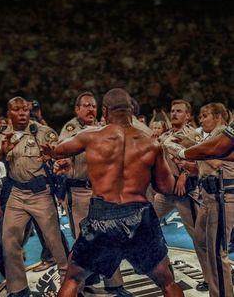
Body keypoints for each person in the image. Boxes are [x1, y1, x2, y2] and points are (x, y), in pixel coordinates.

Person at [42, 88, 184, 297]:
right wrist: (181, 172)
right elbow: (166, 188)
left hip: (102, 216)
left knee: (73, 278)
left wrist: (54, 156)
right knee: (167, 281)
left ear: (105, 111)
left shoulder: (91, 137)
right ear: (131, 111)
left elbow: (57, 150)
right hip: (139, 217)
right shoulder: (151, 144)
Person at [59, 91, 131, 297]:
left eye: (94, 106)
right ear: (77, 109)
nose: (91, 109)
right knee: (84, 241)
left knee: (110, 236)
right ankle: (79, 286)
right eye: (86, 105)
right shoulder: (70, 129)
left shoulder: (102, 127)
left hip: (101, 191)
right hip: (79, 191)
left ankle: (115, 284)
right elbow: (63, 151)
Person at [0, 96, 68, 297]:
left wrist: (53, 155)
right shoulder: (2, 135)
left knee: (55, 243)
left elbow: (62, 155)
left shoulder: (44, 132)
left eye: (26, 110)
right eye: (17, 110)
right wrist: (2, 151)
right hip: (16, 195)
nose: (22, 114)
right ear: (9, 112)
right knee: (9, 243)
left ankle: (69, 285)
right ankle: (18, 290)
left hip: (41, 194)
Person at [177, 103, 234, 295]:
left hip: (223, 195)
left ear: (218, 116)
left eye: (205, 115)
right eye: (200, 116)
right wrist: (187, 165)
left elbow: (217, 160)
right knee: (201, 240)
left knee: (217, 251)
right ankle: (214, 281)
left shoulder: (223, 134)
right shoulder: (209, 138)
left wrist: (190, 148)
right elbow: (202, 169)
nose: (201, 120)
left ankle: (222, 290)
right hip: (207, 196)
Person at [154, 99, 200, 240]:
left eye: (179, 111)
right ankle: (159, 259)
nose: (174, 114)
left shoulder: (193, 136)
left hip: (185, 193)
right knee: (150, 225)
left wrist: (184, 175)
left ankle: (210, 262)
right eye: (173, 111)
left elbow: (200, 161)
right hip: (165, 193)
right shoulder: (165, 136)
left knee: (197, 236)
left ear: (187, 116)